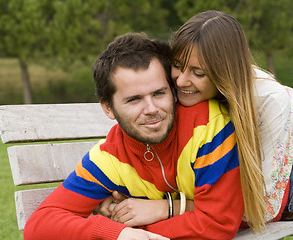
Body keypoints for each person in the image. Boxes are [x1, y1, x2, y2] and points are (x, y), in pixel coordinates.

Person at [23, 32, 244, 240]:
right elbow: (39, 225)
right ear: (108, 107)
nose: (151, 109)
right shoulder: (108, 158)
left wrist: (134, 230)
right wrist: (117, 234)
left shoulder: (207, 125)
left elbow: (217, 223)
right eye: (134, 99)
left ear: (172, 89)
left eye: (159, 93)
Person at [99, 10, 293, 233]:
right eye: (178, 65)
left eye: (198, 73)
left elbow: (265, 208)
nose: (181, 81)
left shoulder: (269, 101)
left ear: (224, 72)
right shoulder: (179, 90)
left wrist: (169, 207)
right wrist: (112, 195)